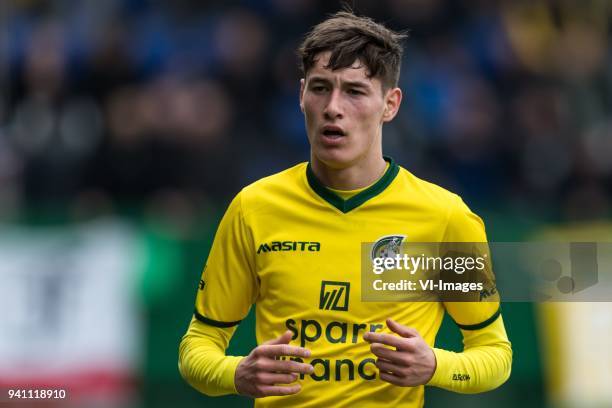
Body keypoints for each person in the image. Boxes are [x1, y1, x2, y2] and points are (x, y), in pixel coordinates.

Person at [178, 10, 512, 407]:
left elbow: (495, 354)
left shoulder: (444, 217)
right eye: (320, 88)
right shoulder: (254, 208)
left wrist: (434, 366)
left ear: (390, 104)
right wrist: (236, 374)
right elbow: (198, 345)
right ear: (301, 95)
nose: (333, 107)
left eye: (355, 91)